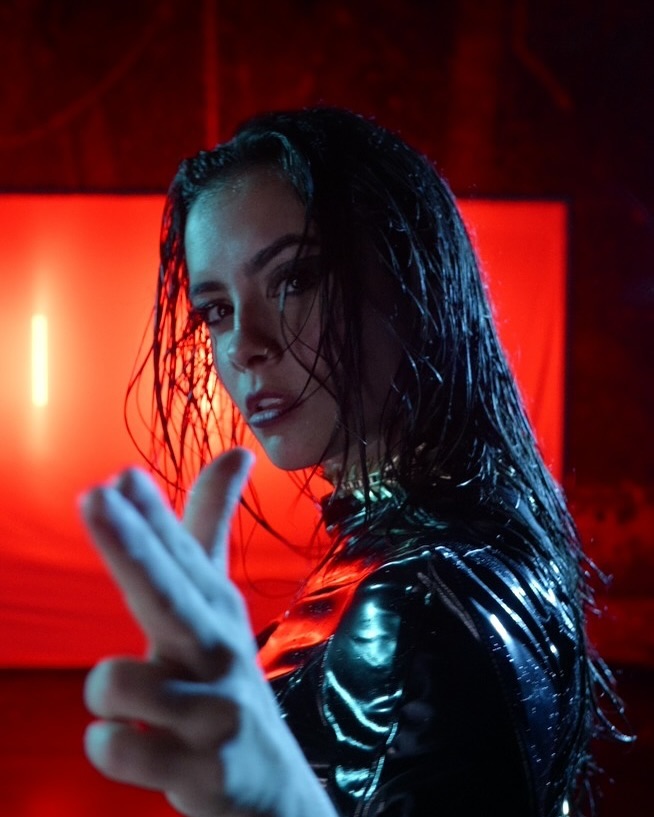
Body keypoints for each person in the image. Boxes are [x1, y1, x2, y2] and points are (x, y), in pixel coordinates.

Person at [80, 108, 626, 817]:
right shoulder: (459, 541)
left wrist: (278, 803)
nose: (244, 344)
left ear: (412, 280)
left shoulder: (414, 601)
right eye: (216, 310)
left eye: (294, 279)